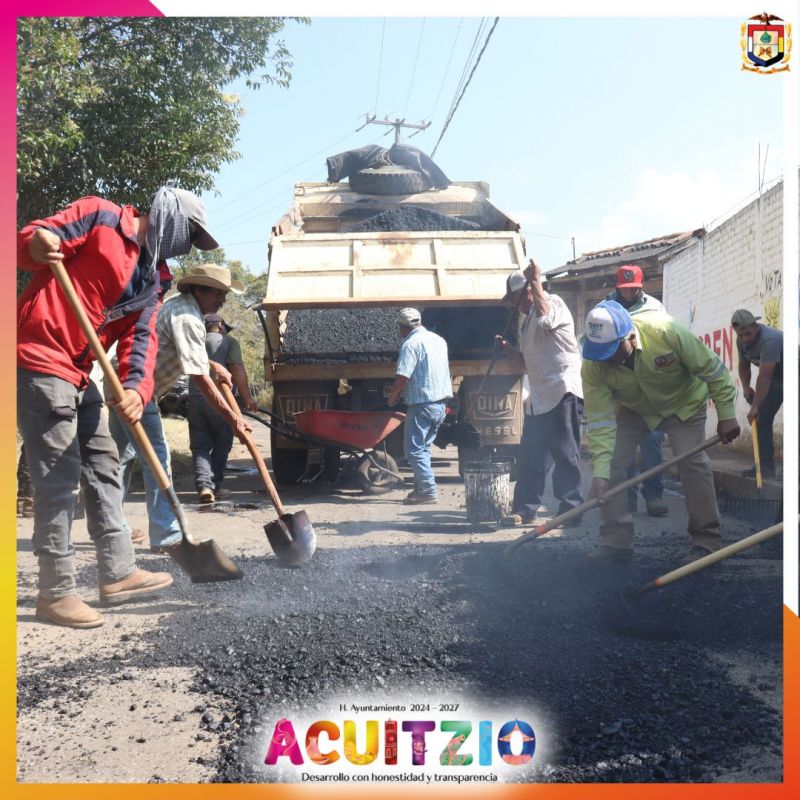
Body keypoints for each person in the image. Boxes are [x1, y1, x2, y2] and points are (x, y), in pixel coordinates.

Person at [15, 186, 206, 628]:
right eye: (190, 234)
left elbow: (142, 339)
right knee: (59, 478)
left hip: (81, 372)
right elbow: (32, 241)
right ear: (170, 217)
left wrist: (137, 392)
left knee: (103, 463)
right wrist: (37, 241)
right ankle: (55, 592)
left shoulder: (154, 277)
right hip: (39, 357)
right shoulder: (99, 216)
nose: (186, 245)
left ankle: (118, 572)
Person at [581, 300, 740, 566]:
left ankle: (707, 543)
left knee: (693, 463)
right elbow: (600, 422)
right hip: (635, 409)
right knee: (611, 466)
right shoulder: (594, 364)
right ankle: (616, 541)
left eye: (612, 351)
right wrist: (599, 472)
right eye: (600, 353)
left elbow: (714, 371)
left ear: (630, 336)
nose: (606, 360)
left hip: (684, 404)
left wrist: (726, 415)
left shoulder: (667, 331)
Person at [113, 263, 253, 551]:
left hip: (123, 383)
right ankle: (167, 535)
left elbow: (183, 351)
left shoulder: (183, 309)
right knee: (158, 460)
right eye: (218, 293)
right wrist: (233, 420)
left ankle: (112, 529)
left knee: (120, 460)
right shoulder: (188, 318)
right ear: (200, 290)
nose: (223, 300)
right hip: (135, 390)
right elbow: (199, 379)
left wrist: (213, 364)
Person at [495, 260, 584, 527]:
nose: (515, 305)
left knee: (565, 455)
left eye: (515, 298)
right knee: (531, 455)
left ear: (529, 292)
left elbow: (546, 318)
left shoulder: (552, 302)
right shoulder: (527, 320)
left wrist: (535, 279)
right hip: (538, 398)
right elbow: (527, 363)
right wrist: (510, 350)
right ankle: (524, 509)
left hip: (561, 391)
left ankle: (571, 509)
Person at [607, 264, 668, 517]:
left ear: (640, 287)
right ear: (617, 288)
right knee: (623, 446)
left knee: (653, 442)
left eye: (633, 289)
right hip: (620, 386)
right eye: (624, 289)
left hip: (650, 387)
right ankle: (627, 498)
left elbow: (666, 339)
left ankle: (654, 496)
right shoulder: (605, 309)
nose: (629, 294)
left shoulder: (655, 308)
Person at [188, 313, 257, 503]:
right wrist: (247, 397)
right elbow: (237, 369)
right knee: (222, 443)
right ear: (219, 326)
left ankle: (204, 487)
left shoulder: (194, 341)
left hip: (195, 399)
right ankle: (215, 486)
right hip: (220, 402)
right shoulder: (229, 342)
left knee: (200, 447)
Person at [387, 307, 452, 505]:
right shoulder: (438, 340)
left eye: (400, 328)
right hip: (440, 405)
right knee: (422, 449)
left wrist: (393, 396)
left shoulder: (411, 344)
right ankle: (420, 488)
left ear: (403, 327)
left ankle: (427, 491)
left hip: (422, 405)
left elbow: (403, 375)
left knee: (414, 451)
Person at [731, 309, 783, 479]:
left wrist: (755, 406)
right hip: (775, 378)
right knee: (761, 418)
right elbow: (744, 365)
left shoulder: (770, 340)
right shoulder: (741, 341)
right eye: (741, 335)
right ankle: (764, 468)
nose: (745, 338)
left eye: (748, 333)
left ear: (755, 326)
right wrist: (746, 387)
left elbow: (765, 376)